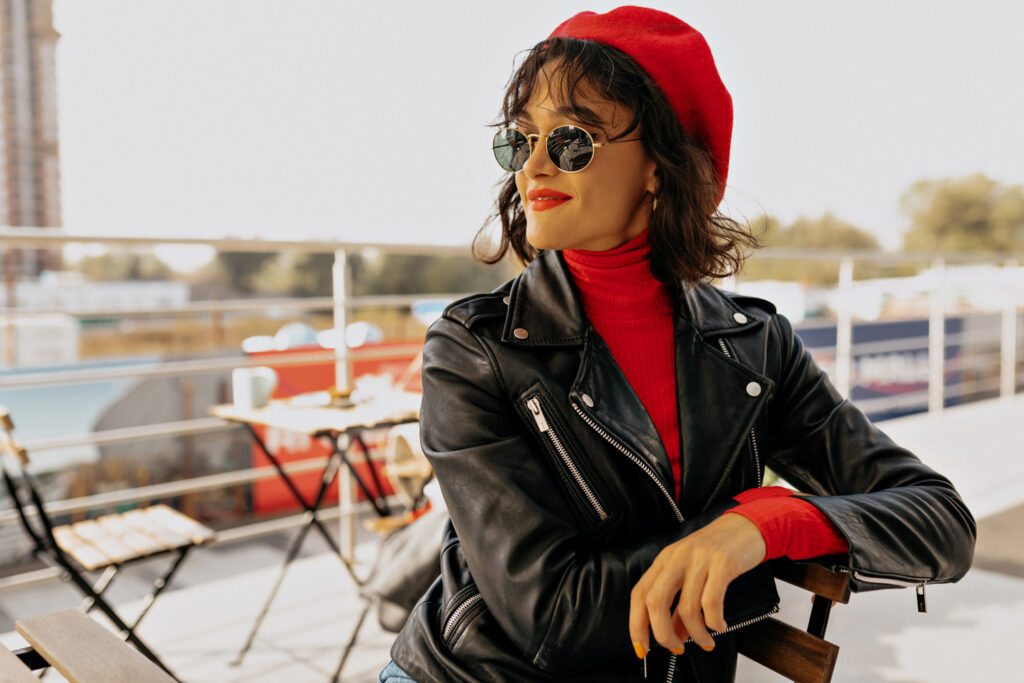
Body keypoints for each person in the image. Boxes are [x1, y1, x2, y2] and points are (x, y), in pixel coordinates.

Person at [382, 7, 975, 682]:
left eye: (573, 139)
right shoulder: (475, 349)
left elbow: (942, 521)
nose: (535, 166)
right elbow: (551, 615)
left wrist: (766, 524)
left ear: (659, 166)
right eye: (519, 142)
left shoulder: (753, 346)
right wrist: (732, 557)